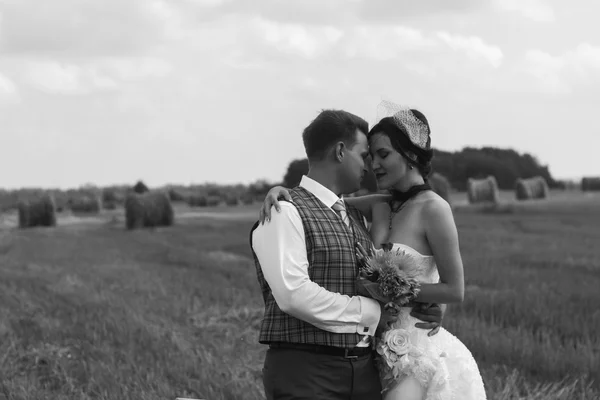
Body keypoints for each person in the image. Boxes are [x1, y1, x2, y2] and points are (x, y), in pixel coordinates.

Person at [259, 101, 487, 400]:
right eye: (370, 155)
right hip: (375, 347)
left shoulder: (435, 209)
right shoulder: (381, 204)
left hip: (415, 347)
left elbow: (454, 290)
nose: (373, 165)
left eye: (383, 155)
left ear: (409, 155)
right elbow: (323, 202)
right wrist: (281, 192)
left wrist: (392, 290)